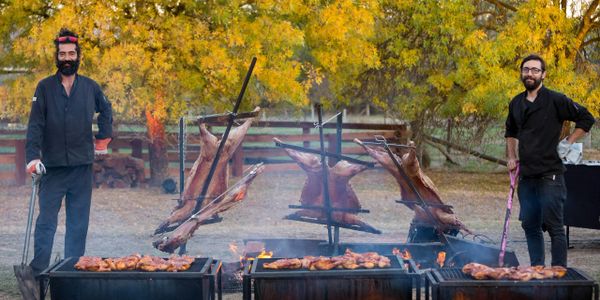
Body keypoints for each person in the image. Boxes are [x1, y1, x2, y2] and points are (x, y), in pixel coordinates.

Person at [25, 28, 113, 275]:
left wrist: (103, 139)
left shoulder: (90, 87)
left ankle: (71, 271)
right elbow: (35, 125)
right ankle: (39, 270)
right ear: (57, 56)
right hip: (52, 168)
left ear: (77, 56)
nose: (66, 58)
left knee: (77, 224)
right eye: (62, 53)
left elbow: (106, 110)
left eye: (71, 53)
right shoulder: (43, 88)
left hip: (81, 167)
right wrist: (32, 158)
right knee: (46, 222)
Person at [505, 54, 595, 267]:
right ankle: (537, 269)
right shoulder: (516, 103)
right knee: (530, 225)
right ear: (521, 73)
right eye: (526, 69)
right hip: (526, 176)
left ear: (543, 74)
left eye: (535, 70)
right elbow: (510, 132)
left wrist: (569, 141)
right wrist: (511, 156)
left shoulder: (556, 100)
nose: (530, 74)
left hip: (550, 175)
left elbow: (587, 118)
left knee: (554, 226)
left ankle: (559, 273)